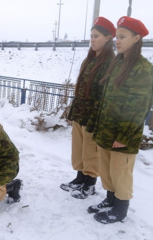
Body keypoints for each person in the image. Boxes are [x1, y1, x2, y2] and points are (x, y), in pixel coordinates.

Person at [87, 16, 153, 224]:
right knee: (107, 169)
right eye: (117, 36)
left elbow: (138, 106)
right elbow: (107, 99)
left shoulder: (143, 69)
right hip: (107, 130)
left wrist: (123, 136)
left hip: (123, 134)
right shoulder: (118, 63)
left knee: (120, 172)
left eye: (123, 37)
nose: (118, 40)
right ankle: (110, 200)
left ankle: (121, 208)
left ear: (136, 38)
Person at [60, 17, 116, 199]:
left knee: (91, 151)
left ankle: (89, 184)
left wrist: (98, 119)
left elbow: (105, 96)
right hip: (80, 114)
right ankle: (79, 179)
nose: (92, 40)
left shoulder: (109, 63)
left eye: (96, 36)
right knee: (79, 149)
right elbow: (81, 89)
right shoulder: (90, 59)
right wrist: (72, 112)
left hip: (94, 117)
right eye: (91, 36)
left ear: (108, 38)